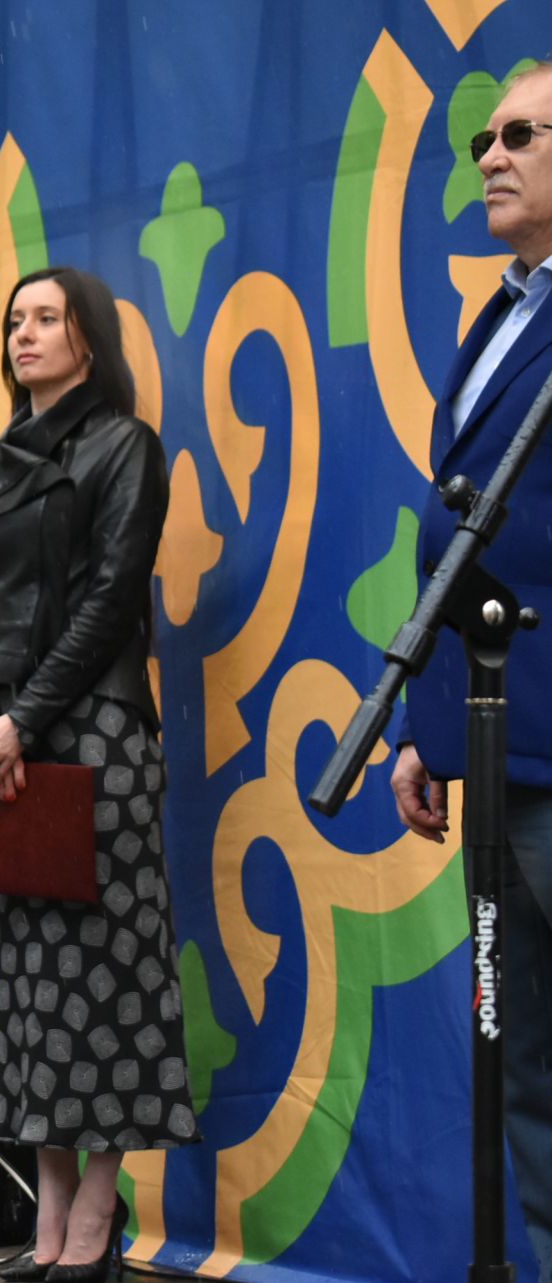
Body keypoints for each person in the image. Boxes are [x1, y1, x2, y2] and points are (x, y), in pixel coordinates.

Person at [0, 267, 198, 1282]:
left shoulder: (124, 447)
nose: (24, 334)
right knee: (30, 985)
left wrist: (24, 715)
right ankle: (51, 1208)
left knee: (107, 977)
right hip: (3, 739)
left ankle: (100, 1204)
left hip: (89, 731)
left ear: (89, 341)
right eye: (15, 320)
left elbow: (110, 601)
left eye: (46, 319)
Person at [391, 57, 552, 1283]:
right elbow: (461, 539)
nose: (491, 157)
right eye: (486, 139)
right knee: (529, 1067)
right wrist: (425, 729)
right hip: (499, 742)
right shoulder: (499, 315)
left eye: (521, 135)